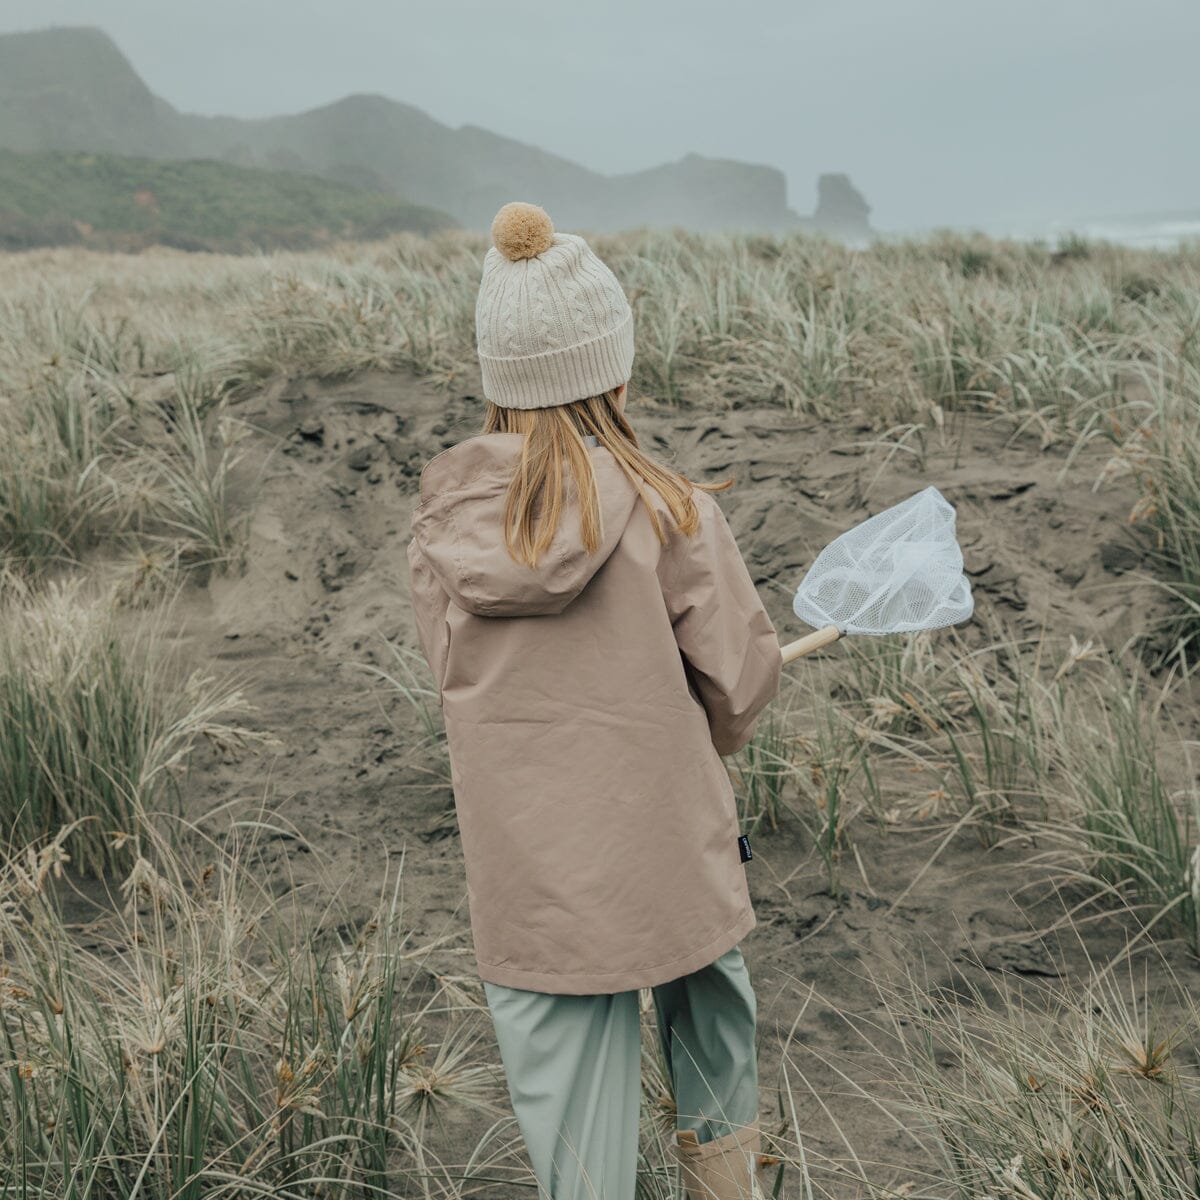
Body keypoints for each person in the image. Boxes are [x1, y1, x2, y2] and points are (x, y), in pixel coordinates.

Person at [406, 201, 782, 1200]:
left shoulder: (442, 532)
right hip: (665, 849)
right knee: (713, 1021)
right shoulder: (673, 510)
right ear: (614, 374)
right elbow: (737, 690)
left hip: (534, 886)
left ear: (500, 385)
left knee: (577, 1152)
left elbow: (454, 680)